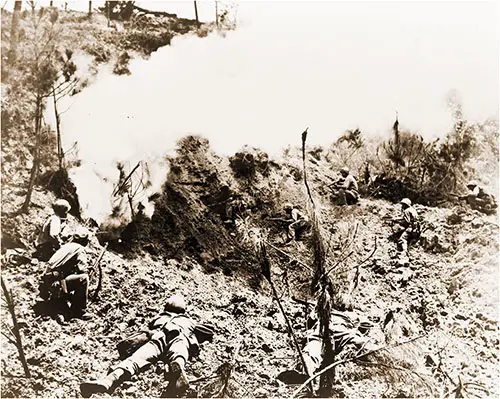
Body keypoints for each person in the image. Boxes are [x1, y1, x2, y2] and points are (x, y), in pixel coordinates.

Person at [80, 295, 207, 398]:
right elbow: (208, 331)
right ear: (183, 310)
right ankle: (177, 369)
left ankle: (109, 380)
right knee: (179, 353)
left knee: (134, 360)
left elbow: (145, 330)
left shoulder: (160, 317)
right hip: (179, 336)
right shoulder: (189, 321)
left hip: (158, 337)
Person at [40, 227, 91, 321]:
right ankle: (78, 311)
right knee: (84, 278)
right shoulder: (80, 249)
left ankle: (61, 301)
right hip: (57, 281)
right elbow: (82, 269)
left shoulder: (66, 246)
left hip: (47, 279)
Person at [392, 198, 420, 265]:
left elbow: (407, 221)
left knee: (402, 239)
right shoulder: (413, 209)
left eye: (403, 204)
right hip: (417, 229)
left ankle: (404, 252)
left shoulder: (406, 211)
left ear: (405, 205)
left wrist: (397, 221)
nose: (402, 206)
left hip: (411, 228)